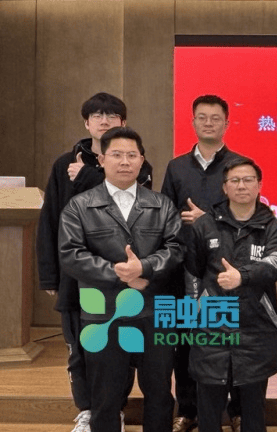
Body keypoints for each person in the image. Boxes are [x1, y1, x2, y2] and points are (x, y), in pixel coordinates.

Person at [36, 92, 151, 432]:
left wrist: (87, 176)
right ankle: (87, 409)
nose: (104, 121)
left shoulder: (136, 162)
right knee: (81, 347)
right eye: (97, 116)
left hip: (120, 275)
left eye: (111, 115)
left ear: (123, 122)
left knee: (120, 345)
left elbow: (134, 200)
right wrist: (49, 275)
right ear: (86, 123)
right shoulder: (64, 164)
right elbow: (50, 221)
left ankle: (113, 409)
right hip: (75, 275)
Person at [59, 127, 182, 432]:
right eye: (116, 155)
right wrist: (119, 273)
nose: (124, 161)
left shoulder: (162, 204)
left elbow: (177, 249)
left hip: (154, 312)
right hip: (103, 313)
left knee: (159, 394)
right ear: (101, 160)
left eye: (131, 155)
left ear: (142, 160)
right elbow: (71, 254)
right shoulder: (80, 206)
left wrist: (144, 268)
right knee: (105, 397)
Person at [161, 94, 245, 432]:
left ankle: (236, 410)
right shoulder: (176, 167)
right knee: (185, 342)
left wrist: (206, 220)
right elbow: (165, 214)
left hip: (226, 270)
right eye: (202, 117)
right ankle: (188, 409)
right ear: (193, 122)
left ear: (227, 123)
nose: (208, 123)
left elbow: (247, 213)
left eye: (215, 118)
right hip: (185, 271)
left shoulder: (239, 166)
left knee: (229, 342)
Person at [184, 157, 277, 432]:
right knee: (208, 413)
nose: (242, 186)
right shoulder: (205, 225)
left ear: (259, 185)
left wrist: (242, 276)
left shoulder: (273, 227)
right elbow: (193, 272)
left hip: (256, 330)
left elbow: (275, 266)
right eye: (235, 181)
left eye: (248, 180)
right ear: (225, 187)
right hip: (211, 330)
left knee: (253, 413)